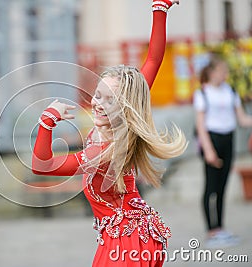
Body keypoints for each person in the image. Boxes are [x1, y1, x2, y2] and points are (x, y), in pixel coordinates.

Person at [32, 1, 186, 266]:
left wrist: (47, 122)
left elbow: (41, 165)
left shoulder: (105, 149)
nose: (97, 103)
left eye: (109, 99)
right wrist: (160, 9)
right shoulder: (110, 126)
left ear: (125, 106)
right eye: (98, 95)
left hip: (127, 242)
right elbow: (152, 60)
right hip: (130, 235)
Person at [194, 55, 252, 248]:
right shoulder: (203, 93)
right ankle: (212, 230)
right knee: (211, 186)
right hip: (212, 140)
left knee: (222, 187)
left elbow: (242, 119)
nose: (225, 75)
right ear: (212, 72)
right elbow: (201, 126)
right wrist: (209, 151)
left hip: (228, 140)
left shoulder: (230, 91)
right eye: (222, 71)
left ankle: (220, 227)